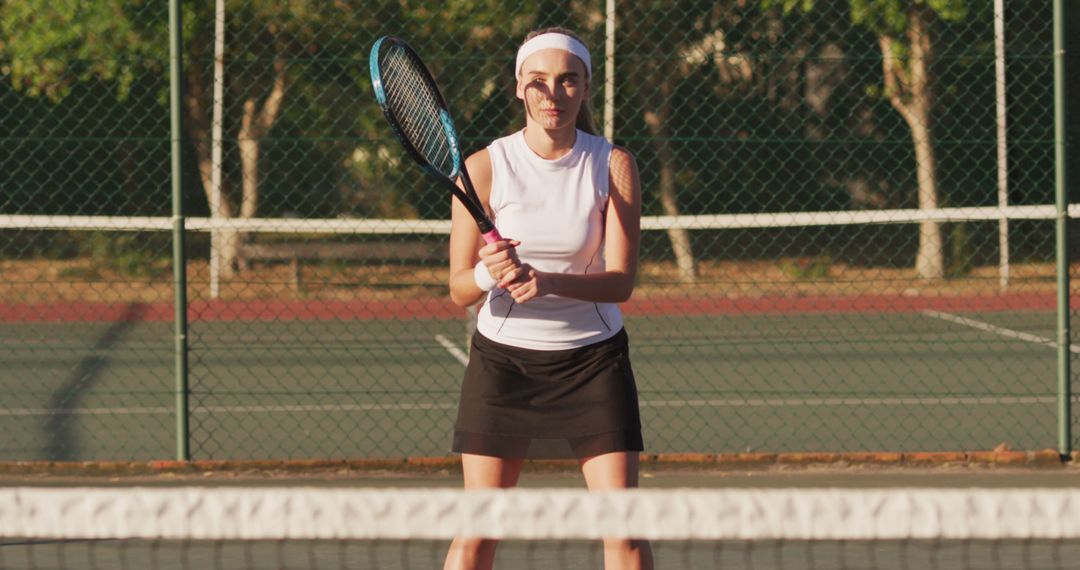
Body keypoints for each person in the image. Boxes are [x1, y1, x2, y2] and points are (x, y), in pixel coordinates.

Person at [443, 27, 653, 570]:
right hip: (504, 363)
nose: (552, 94)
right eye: (538, 81)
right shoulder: (484, 167)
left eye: (567, 80)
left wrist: (551, 280)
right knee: (478, 535)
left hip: (593, 361)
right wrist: (491, 276)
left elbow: (620, 282)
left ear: (585, 87)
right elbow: (458, 288)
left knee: (624, 536)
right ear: (519, 87)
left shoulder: (614, 164)